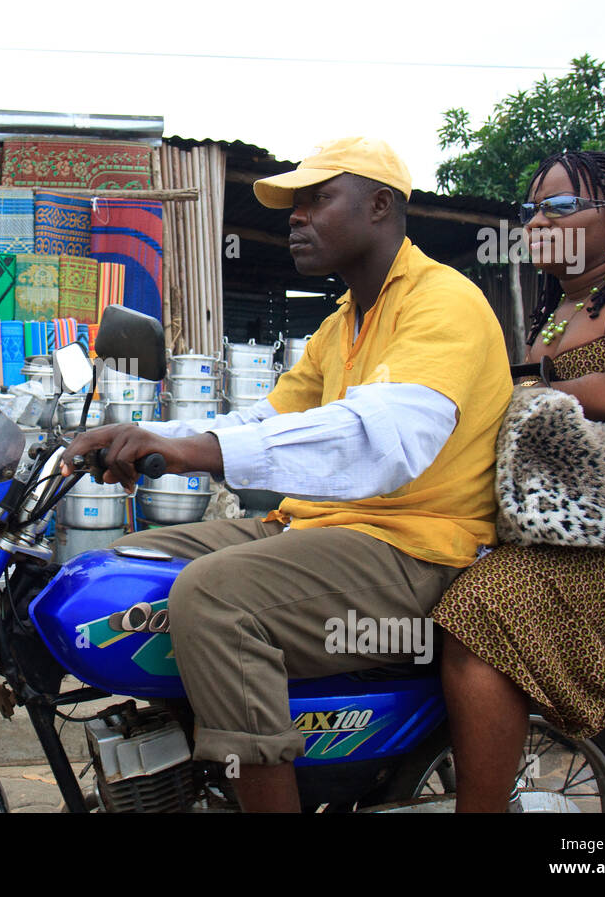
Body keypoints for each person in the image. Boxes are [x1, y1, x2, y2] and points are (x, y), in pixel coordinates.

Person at [63, 136, 513, 812]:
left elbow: (378, 440)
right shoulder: (342, 325)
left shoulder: (443, 302)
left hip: (417, 547)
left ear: (380, 205)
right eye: (294, 206)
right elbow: (260, 423)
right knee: (121, 568)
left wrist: (198, 451)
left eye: (317, 200)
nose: (296, 218)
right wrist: (151, 436)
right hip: (316, 527)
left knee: (215, 598)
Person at [432, 149, 605, 812]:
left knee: (481, 610)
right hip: (564, 535)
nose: (536, 221)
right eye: (531, 210)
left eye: (558, 207)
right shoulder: (556, 315)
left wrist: (522, 385)